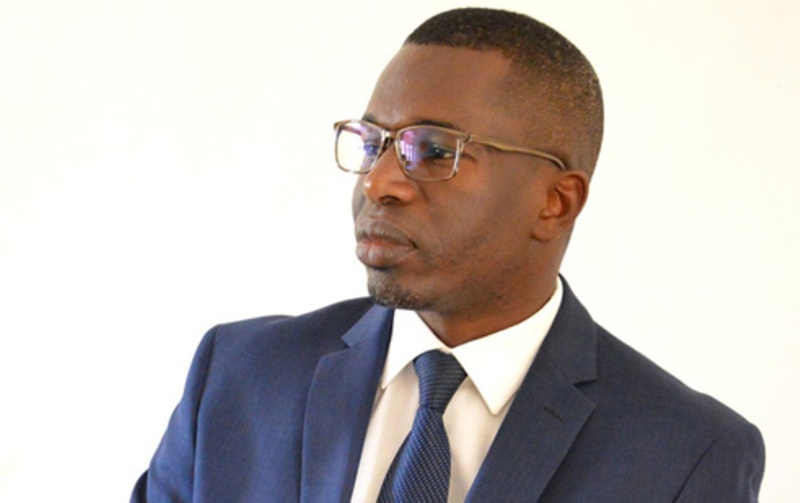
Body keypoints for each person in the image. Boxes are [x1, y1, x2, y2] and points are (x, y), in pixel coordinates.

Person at [131, 8, 765, 502]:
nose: (379, 182)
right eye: (373, 142)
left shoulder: (686, 453)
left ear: (555, 202)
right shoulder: (238, 378)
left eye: (433, 151)